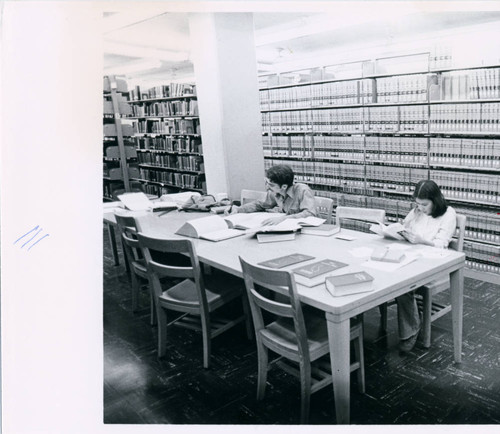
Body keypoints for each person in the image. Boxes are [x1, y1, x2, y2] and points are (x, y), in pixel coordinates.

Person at [397, 179, 457, 353]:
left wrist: (422, 241)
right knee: (394, 277)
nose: (421, 208)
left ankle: (411, 330)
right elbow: (404, 227)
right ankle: (412, 324)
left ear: (435, 200)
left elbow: (442, 245)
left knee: (402, 283)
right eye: (417, 204)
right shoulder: (417, 211)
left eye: (424, 204)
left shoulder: (448, 214)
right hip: (412, 258)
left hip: (434, 263)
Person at [228, 164, 317, 225]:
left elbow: (310, 214)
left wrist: (284, 219)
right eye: (266, 182)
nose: (267, 187)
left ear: (284, 186)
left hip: (309, 230)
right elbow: (260, 205)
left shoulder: (303, 190)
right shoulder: (275, 192)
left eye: (271, 185)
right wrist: (238, 209)